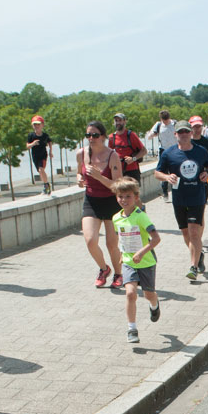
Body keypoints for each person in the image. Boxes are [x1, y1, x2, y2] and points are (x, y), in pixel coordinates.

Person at [153, 120, 208, 282]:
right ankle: (198, 254)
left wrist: (206, 172)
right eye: (181, 132)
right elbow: (157, 172)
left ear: (191, 133)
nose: (184, 134)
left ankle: (193, 266)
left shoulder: (200, 151)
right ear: (175, 135)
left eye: (187, 131)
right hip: (179, 198)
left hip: (197, 197)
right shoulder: (169, 153)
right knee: (185, 233)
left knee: (194, 232)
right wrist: (167, 176)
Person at [111, 178, 161, 344]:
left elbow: (155, 239)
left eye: (128, 196)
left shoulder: (141, 217)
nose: (124, 200)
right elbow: (121, 238)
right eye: (120, 196)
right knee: (131, 293)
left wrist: (141, 252)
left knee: (148, 295)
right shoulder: (116, 218)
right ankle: (132, 329)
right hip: (128, 262)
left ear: (136, 197)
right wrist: (121, 255)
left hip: (146, 261)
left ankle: (155, 306)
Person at [76, 120, 124, 288]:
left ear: (103, 136)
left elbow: (118, 186)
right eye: (88, 135)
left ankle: (119, 274)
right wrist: (80, 179)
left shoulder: (112, 156)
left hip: (112, 202)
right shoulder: (81, 154)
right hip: (91, 200)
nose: (91, 138)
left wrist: (98, 176)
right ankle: (104, 268)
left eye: (95, 135)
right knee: (90, 240)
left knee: (112, 244)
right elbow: (78, 173)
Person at [148, 110, 179, 201]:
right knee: (163, 172)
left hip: (175, 150)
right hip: (164, 151)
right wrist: (153, 134)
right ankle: (165, 192)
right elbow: (149, 136)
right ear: (161, 119)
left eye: (166, 120)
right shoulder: (158, 125)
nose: (165, 122)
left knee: (175, 171)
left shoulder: (175, 124)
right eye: (163, 121)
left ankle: (176, 192)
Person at [108, 112, 146, 183]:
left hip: (132, 170)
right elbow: (109, 154)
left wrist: (133, 159)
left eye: (120, 120)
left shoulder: (131, 135)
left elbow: (144, 151)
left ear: (125, 122)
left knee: (134, 193)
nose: (118, 123)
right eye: (116, 121)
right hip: (118, 170)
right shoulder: (111, 137)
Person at [26, 115, 52, 195]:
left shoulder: (45, 135)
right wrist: (33, 143)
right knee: (40, 171)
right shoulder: (31, 136)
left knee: (41, 169)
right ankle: (46, 184)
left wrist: (51, 152)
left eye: (38, 124)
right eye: (34, 124)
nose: (36, 126)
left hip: (43, 155)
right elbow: (27, 146)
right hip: (35, 156)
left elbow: (50, 142)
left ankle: (46, 186)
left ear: (42, 125)